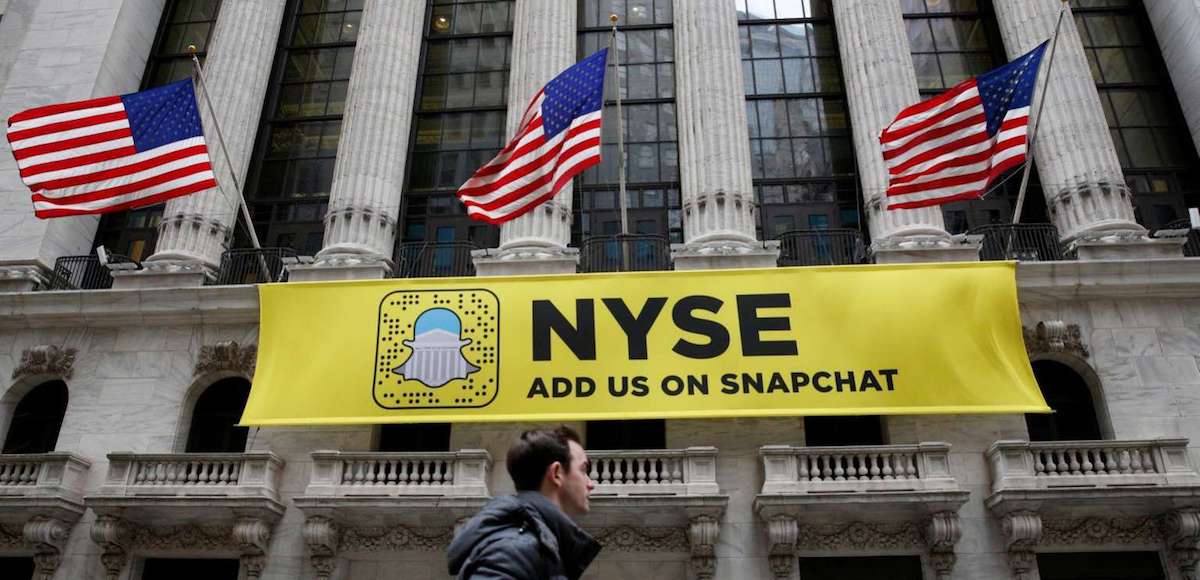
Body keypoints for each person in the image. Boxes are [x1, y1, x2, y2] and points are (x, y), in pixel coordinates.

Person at [448, 425, 601, 579]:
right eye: (583, 470)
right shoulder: (513, 550)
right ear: (556, 473)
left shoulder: (530, 546)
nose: (591, 483)